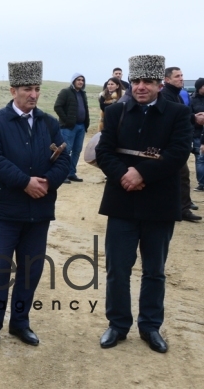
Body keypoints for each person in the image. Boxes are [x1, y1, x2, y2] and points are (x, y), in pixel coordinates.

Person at [96, 55, 191, 353]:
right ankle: (118, 324)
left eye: (147, 82)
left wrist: (142, 173)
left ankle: (150, 327)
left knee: (154, 270)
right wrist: (125, 174)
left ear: (159, 85)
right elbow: (105, 151)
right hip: (122, 201)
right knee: (117, 267)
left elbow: (178, 154)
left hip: (159, 204)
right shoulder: (116, 113)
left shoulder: (177, 114)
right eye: (136, 81)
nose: (140, 87)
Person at [0, 61, 69, 349]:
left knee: (31, 271)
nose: (33, 94)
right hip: (6, 210)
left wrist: (48, 182)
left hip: (39, 211)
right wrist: (25, 182)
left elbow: (65, 158)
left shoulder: (49, 123)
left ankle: (19, 323)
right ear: (13, 89)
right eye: (27, 89)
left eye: (37, 89)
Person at [161, 66, 203, 222]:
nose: (181, 78)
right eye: (177, 76)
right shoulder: (166, 95)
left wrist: (192, 116)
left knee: (178, 176)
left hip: (176, 143)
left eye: (182, 75)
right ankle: (181, 209)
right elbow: (173, 116)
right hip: (169, 145)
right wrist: (194, 118)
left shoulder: (176, 95)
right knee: (181, 175)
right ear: (167, 79)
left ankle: (180, 206)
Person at [54, 73, 89, 183]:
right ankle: (62, 174)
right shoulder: (66, 92)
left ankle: (71, 173)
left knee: (77, 150)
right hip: (68, 127)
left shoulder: (82, 94)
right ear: (73, 81)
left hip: (81, 126)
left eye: (82, 80)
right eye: (78, 79)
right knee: (65, 151)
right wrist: (67, 120)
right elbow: (57, 106)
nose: (80, 82)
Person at [191, 78, 204, 192]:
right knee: (200, 158)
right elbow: (188, 115)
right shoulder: (192, 99)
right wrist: (196, 118)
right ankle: (202, 183)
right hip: (198, 133)